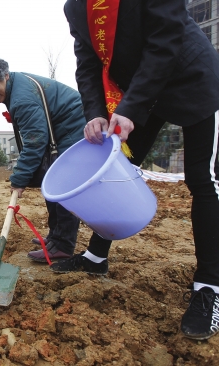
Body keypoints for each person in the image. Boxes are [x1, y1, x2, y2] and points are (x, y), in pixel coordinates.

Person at [63, 0, 219, 340]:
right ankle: (95, 257)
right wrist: (95, 112)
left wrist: (130, 107)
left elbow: (166, 40)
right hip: (143, 95)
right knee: (116, 168)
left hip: (190, 78)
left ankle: (210, 285)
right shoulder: (76, 7)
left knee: (201, 179)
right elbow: (87, 64)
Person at [0, 56, 85, 262]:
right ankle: (55, 236)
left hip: (72, 130)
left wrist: (20, 179)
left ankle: (62, 245)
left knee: (62, 186)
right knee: (50, 183)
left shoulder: (21, 98)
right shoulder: (15, 87)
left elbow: (35, 141)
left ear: (4, 76)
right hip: (59, 133)